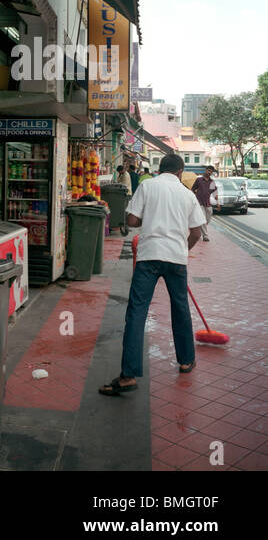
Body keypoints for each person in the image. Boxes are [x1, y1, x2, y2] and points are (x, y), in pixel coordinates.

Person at [99, 153, 204, 397]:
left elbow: (132, 220)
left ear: (160, 169)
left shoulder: (147, 186)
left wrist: (151, 218)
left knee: (137, 312)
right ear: (180, 171)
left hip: (149, 256)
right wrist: (181, 250)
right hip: (176, 259)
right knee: (180, 308)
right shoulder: (188, 195)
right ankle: (186, 360)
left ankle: (128, 375)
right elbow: (197, 233)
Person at [191, 165, 218, 241]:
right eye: (208, 170)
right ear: (206, 170)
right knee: (203, 218)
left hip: (207, 202)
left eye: (211, 172)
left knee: (208, 218)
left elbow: (214, 191)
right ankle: (205, 236)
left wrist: (217, 200)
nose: (209, 172)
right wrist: (194, 196)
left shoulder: (212, 182)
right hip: (199, 202)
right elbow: (193, 189)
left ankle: (201, 227)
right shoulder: (199, 180)